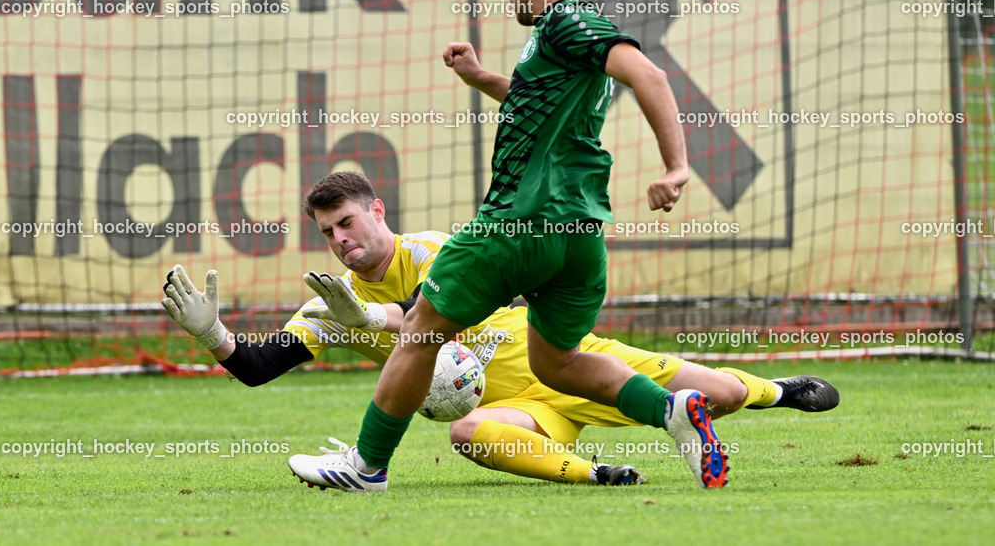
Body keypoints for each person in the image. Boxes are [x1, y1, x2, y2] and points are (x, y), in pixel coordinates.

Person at [276, 0, 751, 492]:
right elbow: (541, 107)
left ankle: (366, 467)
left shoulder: (565, 23)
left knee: (422, 328)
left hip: (518, 223)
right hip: (578, 236)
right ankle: (671, 411)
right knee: (557, 362)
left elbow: (647, 74)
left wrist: (677, 167)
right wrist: (484, 81)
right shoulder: (557, 45)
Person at [161, 172, 839, 489]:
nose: (341, 240)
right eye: (328, 231)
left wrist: (364, 319)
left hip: (562, 358)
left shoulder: (432, 250)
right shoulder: (327, 304)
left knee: (718, 390)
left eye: (349, 223)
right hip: (517, 406)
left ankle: (779, 388)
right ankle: (600, 475)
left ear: (377, 210)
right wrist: (213, 332)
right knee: (468, 435)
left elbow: (417, 317)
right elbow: (255, 366)